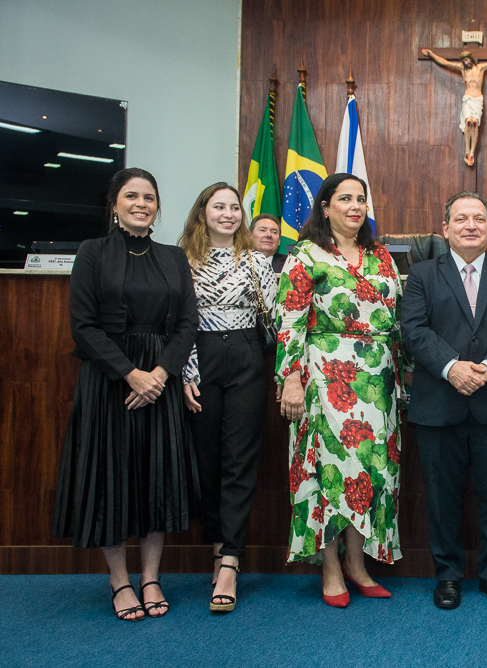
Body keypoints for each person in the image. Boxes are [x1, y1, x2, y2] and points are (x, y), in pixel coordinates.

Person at [52, 168, 200, 622]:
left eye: (149, 197)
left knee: (157, 481)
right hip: (111, 381)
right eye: (131, 196)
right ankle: (120, 582)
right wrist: (131, 374)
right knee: (111, 482)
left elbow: (187, 324)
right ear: (114, 204)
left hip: (161, 379)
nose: (141, 203)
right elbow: (83, 325)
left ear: (157, 205)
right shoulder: (92, 253)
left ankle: (151, 577)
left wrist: (158, 374)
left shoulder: (174, 257)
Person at [401, 191, 487, 609]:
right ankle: (448, 576)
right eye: (461, 219)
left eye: (479, 218)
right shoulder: (422, 274)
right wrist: (452, 367)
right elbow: (414, 329)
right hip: (439, 401)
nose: (470, 225)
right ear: (445, 229)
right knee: (441, 496)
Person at [276, 173, 403, 608]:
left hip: (378, 382)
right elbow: (290, 320)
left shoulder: (381, 256)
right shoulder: (305, 255)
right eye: (344, 198)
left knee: (368, 473)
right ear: (325, 207)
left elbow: (400, 319)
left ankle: (357, 563)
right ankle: (330, 569)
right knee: (329, 475)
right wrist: (291, 379)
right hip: (326, 379)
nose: (355, 205)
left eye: (361, 199)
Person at [179, 182, 277, 613]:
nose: (227, 213)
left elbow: (276, 321)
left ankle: (231, 560)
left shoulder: (258, 261)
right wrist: (185, 371)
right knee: (206, 462)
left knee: (240, 458)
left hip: (246, 359)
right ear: (202, 213)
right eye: (218, 206)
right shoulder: (179, 261)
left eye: (234, 207)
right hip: (198, 360)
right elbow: (173, 322)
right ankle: (217, 545)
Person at [422, 49, 487, 166]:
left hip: (477, 100)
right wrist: (431, 54)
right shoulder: (462, 69)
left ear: (470, 58)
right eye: (464, 61)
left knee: (474, 123)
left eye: (466, 60)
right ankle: (466, 150)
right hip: (467, 99)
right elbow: (445, 63)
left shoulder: (481, 68)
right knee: (468, 122)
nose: (465, 62)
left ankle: (471, 152)